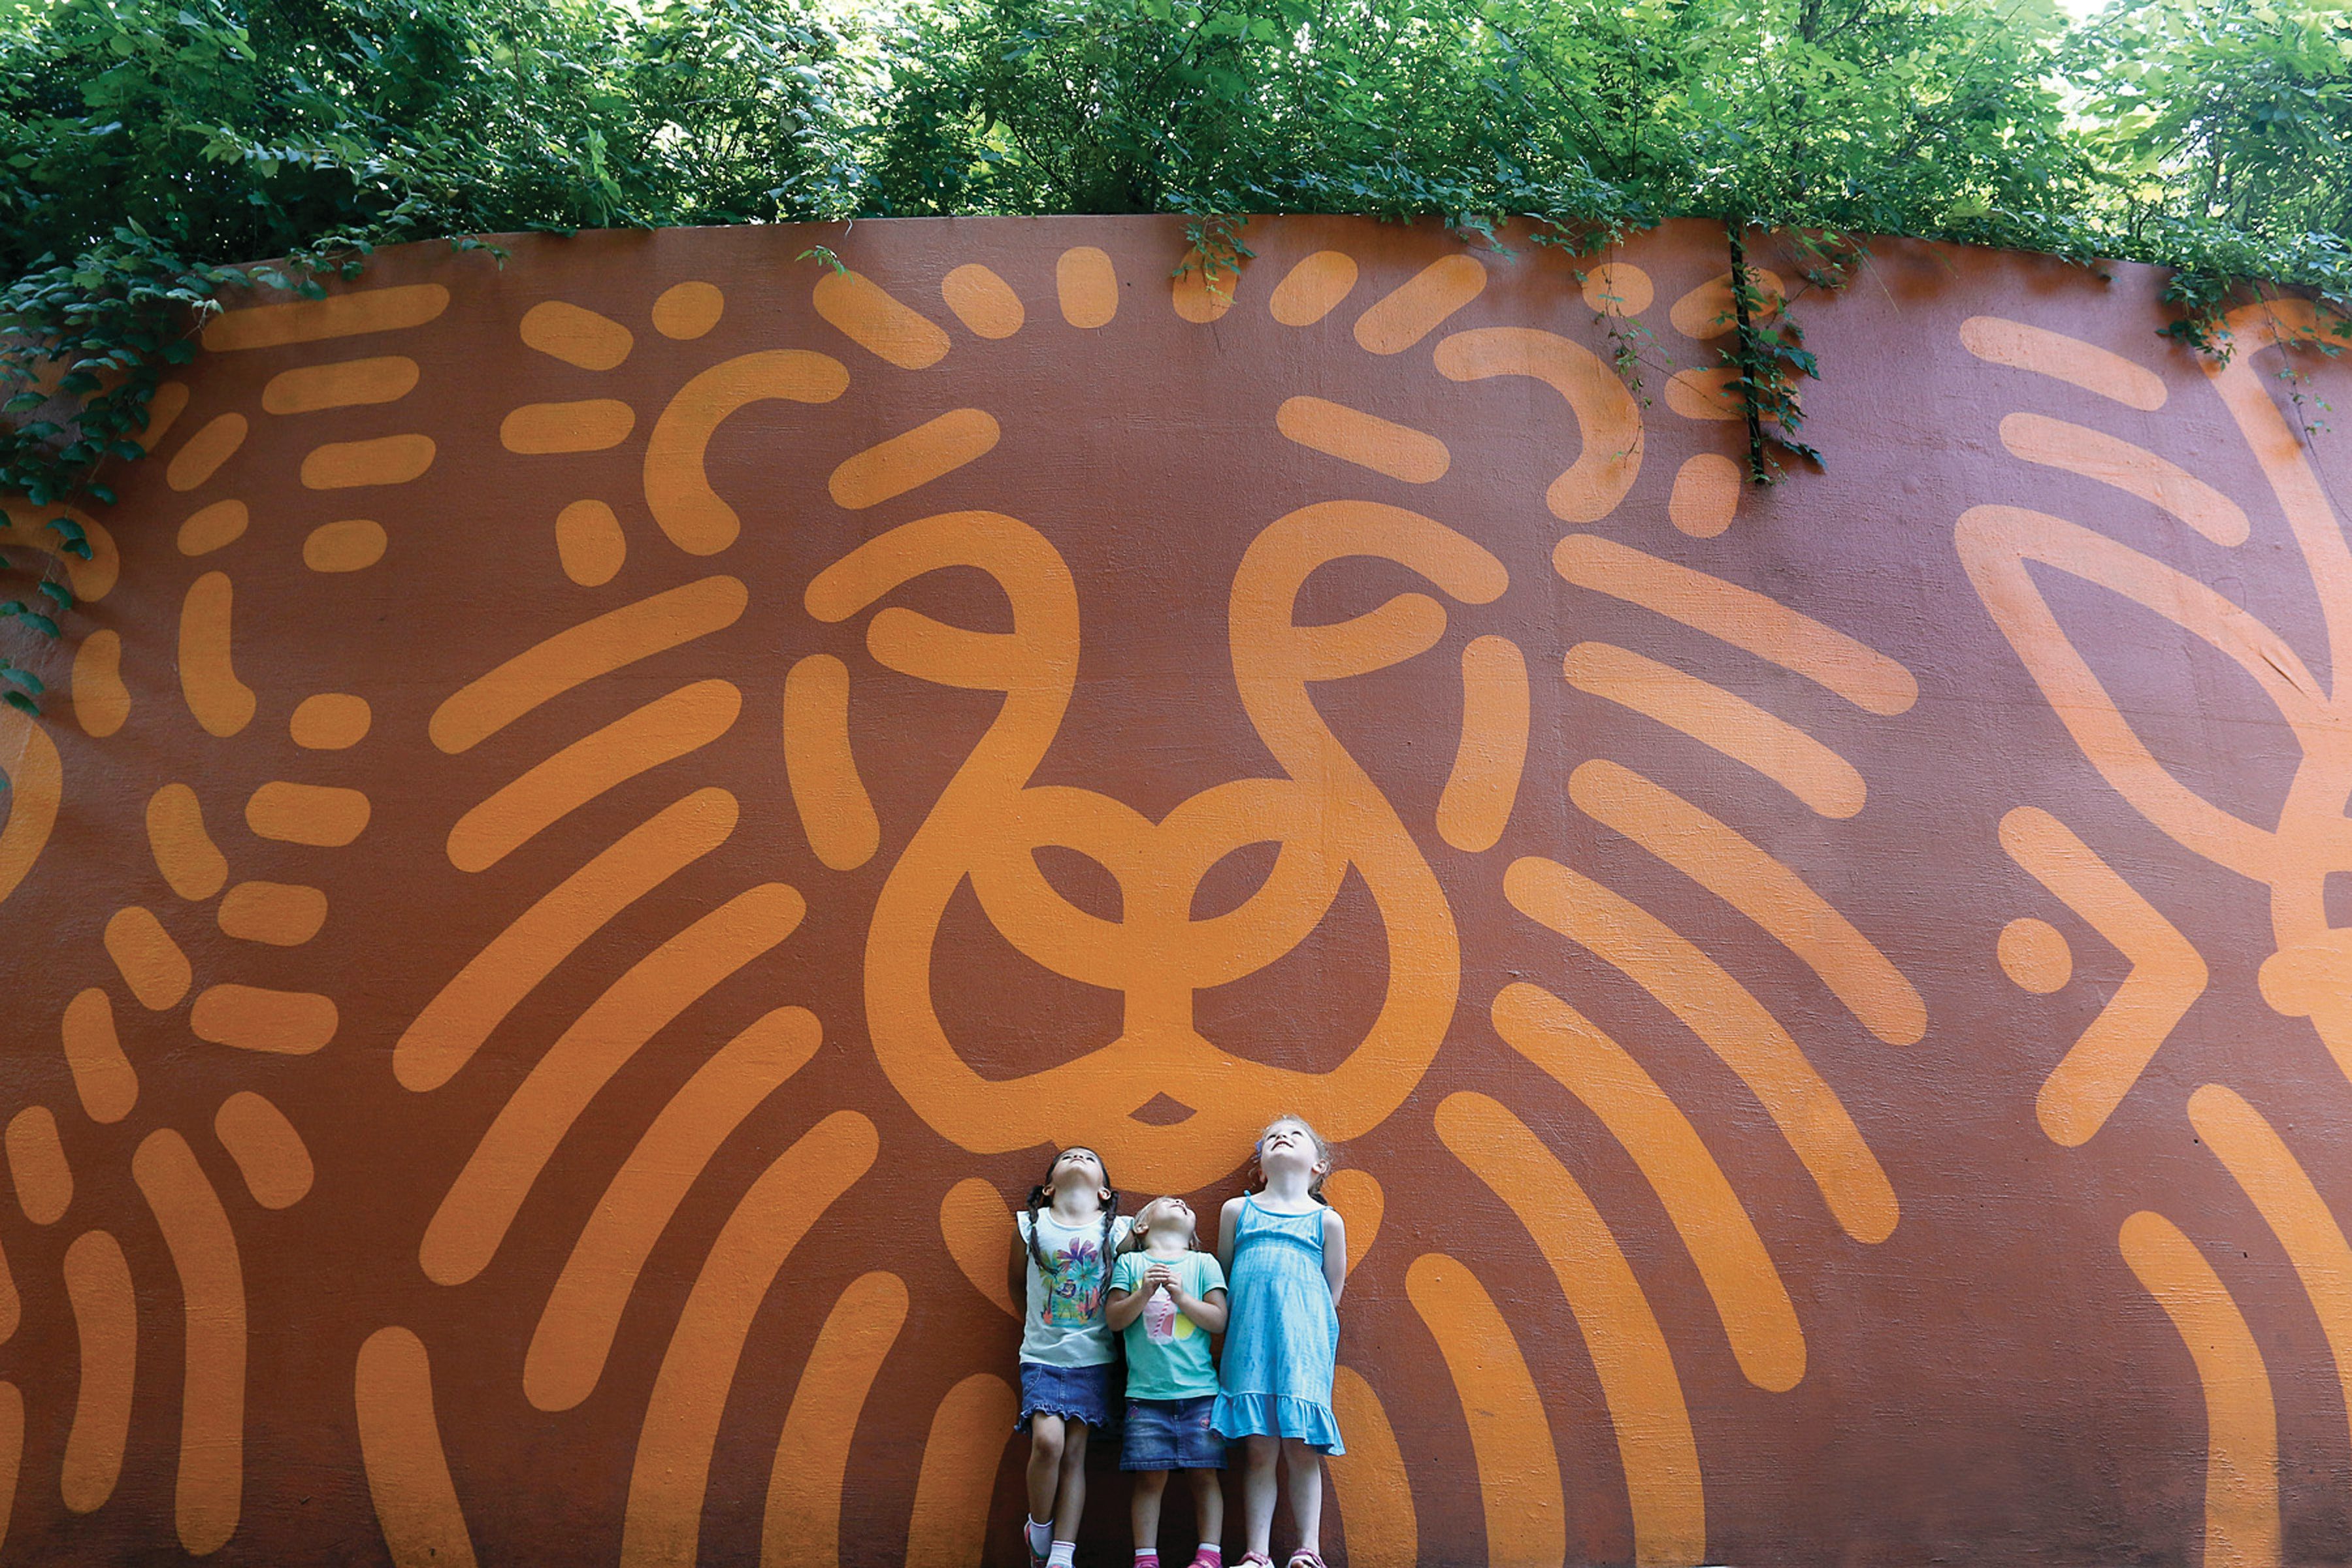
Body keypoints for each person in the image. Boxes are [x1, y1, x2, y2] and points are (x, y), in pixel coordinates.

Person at [1212, 1116, 1346, 1568]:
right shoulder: (1237, 1211)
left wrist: (1303, 1328)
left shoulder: (1326, 1221)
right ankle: (1257, 1553)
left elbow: (1331, 1291)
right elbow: (1225, 1276)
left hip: (1303, 1347)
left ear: (1318, 1165)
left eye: (1295, 1134)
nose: (1282, 1137)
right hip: (1249, 1344)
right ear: (1260, 1168)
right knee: (1259, 1448)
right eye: (1272, 1136)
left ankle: (1309, 1549)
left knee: (1301, 1447)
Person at [1012, 1147, 1132, 1568]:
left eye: (1088, 1157)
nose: (1078, 1158)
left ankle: (1063, 1553)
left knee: (1075, 1455)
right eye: (1068, 1157)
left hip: (1093, 1358)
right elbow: (1016, 1285)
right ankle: (1040, 1528)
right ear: (1048, 1187)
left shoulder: (1117, 1232)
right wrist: (1038, 1327)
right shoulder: (1031, 1226)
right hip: (1041, 1356)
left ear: (1104, 1192)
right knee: (1048, 1443)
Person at [1107, 1196, 1230, 1568]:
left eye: (1185, 1205)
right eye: (1166, 1202)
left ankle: (1209, 1555)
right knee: (1149, 1479)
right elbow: (1114, 1319)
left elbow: (1218, 1320)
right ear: (1141, 1227)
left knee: (1205, 1475)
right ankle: (1145, 1558)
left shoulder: (1204, 1263)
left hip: (1200, 1393)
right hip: (1145, 1395)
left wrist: (1180, 1296)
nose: (1179, 1201)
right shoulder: (1130, 1264)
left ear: (1192, 1235)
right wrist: (1144, 1292)